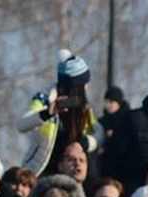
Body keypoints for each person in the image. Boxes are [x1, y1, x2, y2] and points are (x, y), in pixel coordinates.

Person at [18, 49, 104, 177]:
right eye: (82, 85)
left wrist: (85, 143)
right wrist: (47, 113)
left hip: (73, 173)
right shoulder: (45, 98)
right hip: (43, 172)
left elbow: (99, 133)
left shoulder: (83, 106)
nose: (86, 88)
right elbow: (21, 124)